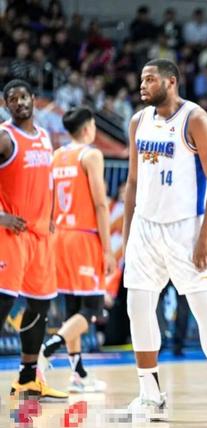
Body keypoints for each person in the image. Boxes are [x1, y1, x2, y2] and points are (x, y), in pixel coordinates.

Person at [122, 59, 207, 423]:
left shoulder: (195, 119)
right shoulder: (138, 121)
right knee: (139, 310)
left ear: (171, 82)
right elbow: (133, 182)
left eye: (150, 79)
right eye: (141, 79)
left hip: (186, 229)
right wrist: (127, 235)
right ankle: (149, 395)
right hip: (145, 229)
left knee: (206, 312)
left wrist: (206, 235)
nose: (142, 85)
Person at [38, 106, 115, 393]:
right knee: (92, 308)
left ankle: (78, 374)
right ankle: (49, 347)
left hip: (60, 237)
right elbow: (100, 204)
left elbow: (49, 202)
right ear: (87, 128)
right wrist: (107, 249)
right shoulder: (91, 155)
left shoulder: (56, 156)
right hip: (84, 237)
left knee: (72, 308)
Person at [0, 79, 67, 400]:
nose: (19, 102)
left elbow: (47, 181)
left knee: (40, 305)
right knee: (3, 302)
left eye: (23, 96)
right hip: (11, 233)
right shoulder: (4, 137)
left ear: (33, 99)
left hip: (40, 236)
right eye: (12, 99)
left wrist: (51, 215)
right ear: (6, 105)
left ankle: (28, 378)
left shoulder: (43, 136)